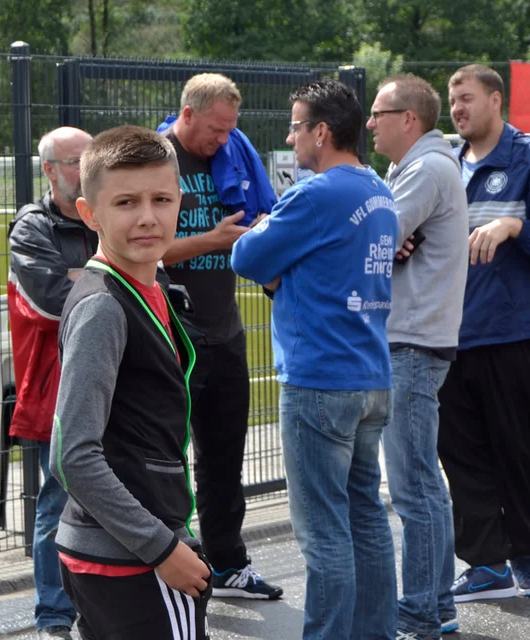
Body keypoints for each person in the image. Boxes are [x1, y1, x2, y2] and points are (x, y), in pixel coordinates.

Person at [232, 79, 399, 640]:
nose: (290, 135)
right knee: (367, 518)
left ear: (321, 133)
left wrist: (269, 245)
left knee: (324, 531)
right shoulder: (378, 189)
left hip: (321, 377)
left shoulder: (316, 192)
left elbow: (246, 255)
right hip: (372, 373)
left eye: (297, 125)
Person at [50, 125, 213, 639]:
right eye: (125, 202)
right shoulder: (103, 305)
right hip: (131, 559)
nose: (147, 216)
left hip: (121, 549)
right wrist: (161, 547)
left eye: (161, 199)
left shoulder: (148, 286)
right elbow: (72, 454)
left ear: (179, 202)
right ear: (89, 213)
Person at [438, 64, 530, 602]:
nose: (457, 109)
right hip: (451, 337)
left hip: (515, 333)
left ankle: (523, 552)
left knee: (518, 452)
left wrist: (516, 226)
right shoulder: (446, 164)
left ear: (496, 100)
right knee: (461, 456)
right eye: (452, 100)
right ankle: (486, 564)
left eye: (467, 98)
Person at [160, 72, 281, 599]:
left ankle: (229, 565)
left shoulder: (233, 158)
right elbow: (147, 249)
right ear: (187, 114)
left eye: (232, 129)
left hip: (225, 329)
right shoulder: (154, 158)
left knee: (225, 456)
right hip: (173, 331)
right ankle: (168, 563)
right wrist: (213, 238)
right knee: (164, 455)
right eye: (215, 128)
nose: (224, 140)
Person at [366, 74, 468, 639]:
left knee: (412, 484)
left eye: (379, 113)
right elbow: (387, 238)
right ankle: (438, 602)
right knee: (421, 480)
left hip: (411, 341)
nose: (370, 124)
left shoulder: (426, 169)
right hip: (411, 338)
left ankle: (422, 611)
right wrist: (388, 239)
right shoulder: (414, 169)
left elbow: (373, 239)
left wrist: (383, 239)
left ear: (409, 119)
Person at [7, 126, 95, 640]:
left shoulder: (105, 213)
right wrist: (104, 277)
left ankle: (100, 609)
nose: (83, 169)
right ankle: (54, 617)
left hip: (114, 385)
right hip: (53, 391)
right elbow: (48, 301)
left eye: (90, 159)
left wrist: (79, 274)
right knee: (56, 505)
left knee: (119, 497)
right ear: (48, 169)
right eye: (72, 161)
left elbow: (148, 276)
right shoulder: (31, 227)